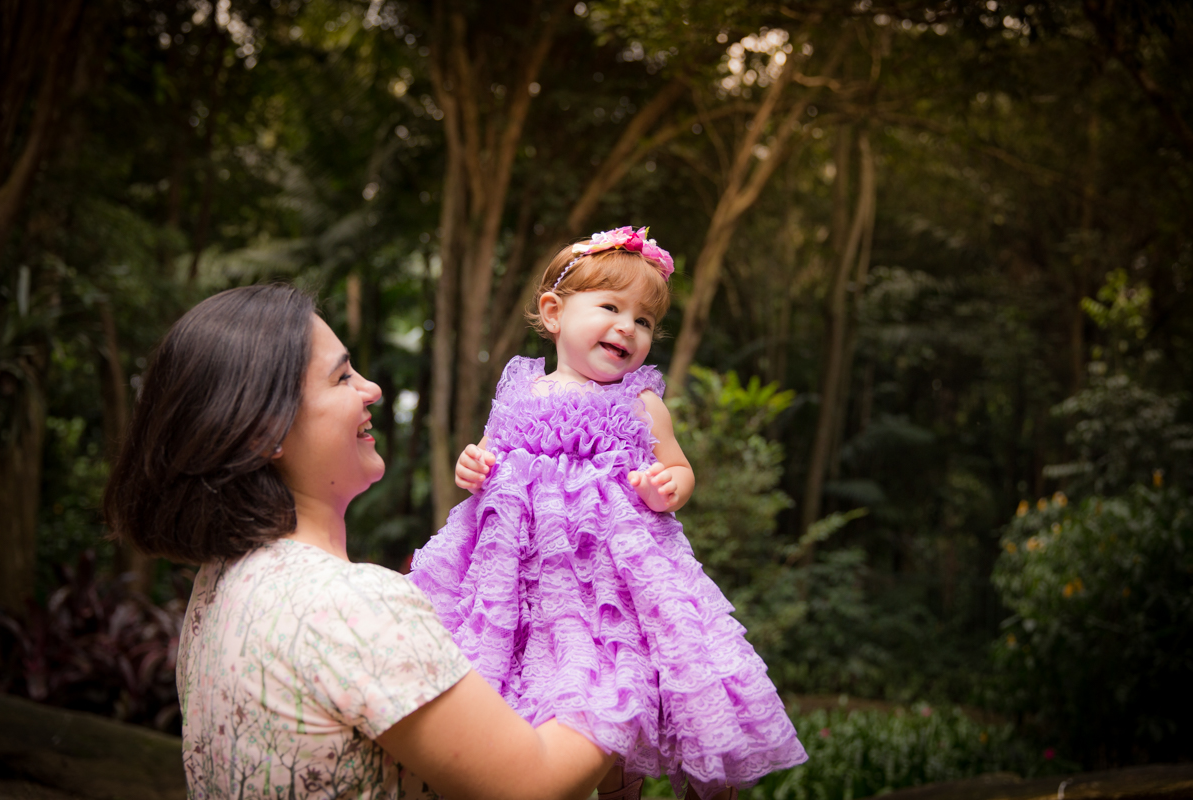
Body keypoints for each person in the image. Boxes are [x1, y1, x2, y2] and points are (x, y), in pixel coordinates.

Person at [102, 284, 615, 800]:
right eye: (342, 376)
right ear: (265, 432)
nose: (370, 388)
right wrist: (635, 652)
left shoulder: (220, 582)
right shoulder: (351, 604)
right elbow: (534, 785)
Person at [409, 226, 807, 800]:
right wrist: (471, 467)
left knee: (623, 700)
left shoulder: (640, 402)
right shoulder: (521, 389)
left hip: (614, 588)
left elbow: (680, 469)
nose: (629, 326)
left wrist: (666, 487)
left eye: (644, 320)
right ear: (553, 312)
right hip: (527, 583)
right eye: (611, 307)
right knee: (538, 702)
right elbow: (487, 457)